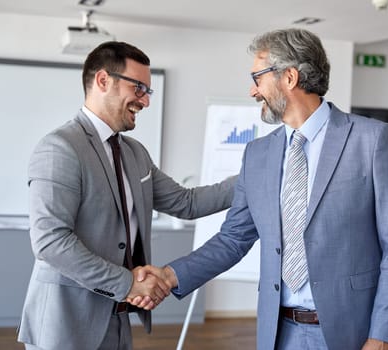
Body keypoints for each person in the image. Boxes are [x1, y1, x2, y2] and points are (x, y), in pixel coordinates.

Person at [135, 28, 388, 350]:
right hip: (279, 332)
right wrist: (170, 275)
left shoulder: (371, 140)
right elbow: (234, 238)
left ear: (289, 77)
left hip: (351, 332)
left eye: (257, 78)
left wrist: (383, 337)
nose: (253, 91)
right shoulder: (257, 154)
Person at [17, 41, 236, 350]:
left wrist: (254, 177)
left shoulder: (134, 153)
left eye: (148, 91)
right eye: (139, 88)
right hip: (66, 325)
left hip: (119, 319)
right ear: (103, 81)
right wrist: (128, 283)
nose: (145, 102)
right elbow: (51, 242)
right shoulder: (60, 147)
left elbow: (187, 203)